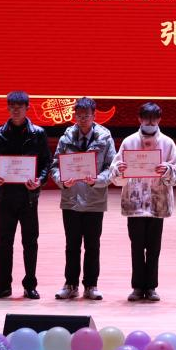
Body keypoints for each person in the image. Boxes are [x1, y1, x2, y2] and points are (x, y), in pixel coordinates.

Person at [111, 102, 176, 302]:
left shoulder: (168, 143)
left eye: (154, 119)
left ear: (159, 119)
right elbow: (114, 175)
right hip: (134, 204)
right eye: (147, 119)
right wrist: (120, 170)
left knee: (154, 249)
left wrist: (168, 170)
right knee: (136, 248)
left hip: (157, 204)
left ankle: (151, 287)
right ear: (140, 119)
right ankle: (137, 287)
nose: (150, 123)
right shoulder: (128, 142)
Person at [0, 90, 52, 300]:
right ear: (7, 108)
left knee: (30, 242)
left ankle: (30, 285)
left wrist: (40, 180)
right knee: (4, 243)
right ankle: (3, 285)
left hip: (28, 197)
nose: (16, 110)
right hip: (5, 196)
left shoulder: (38, 133)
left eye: (20, 107)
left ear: (27, 108)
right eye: (12, 107)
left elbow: (46, 162)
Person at [51, 97, 115, 300]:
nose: (82, 119)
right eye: (79, 115)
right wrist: (62, 181)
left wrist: (97, 180)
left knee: (92, 246)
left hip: (94, 199)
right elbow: (55, 166)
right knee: (71, 245)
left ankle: (91, 285)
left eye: (86, 115)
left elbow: (112, 168)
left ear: (94, 116)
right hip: (71, 199)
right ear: (75, 116)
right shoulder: (66, 137)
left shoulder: (105, 137)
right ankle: (70, 284)